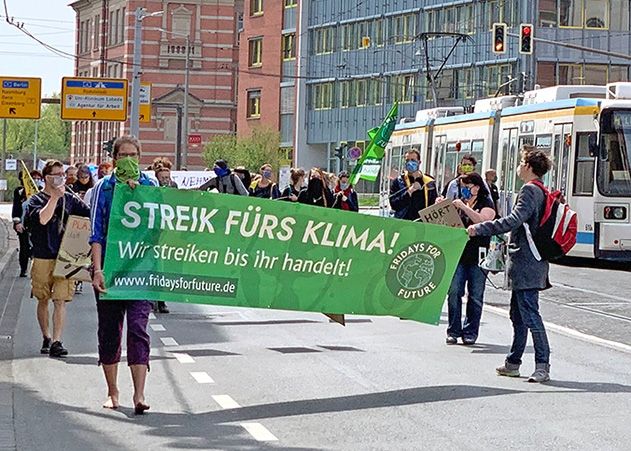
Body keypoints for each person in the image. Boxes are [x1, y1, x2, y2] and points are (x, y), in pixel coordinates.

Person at [468, 145, 553, 383]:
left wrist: (479, 228)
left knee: (530, 315)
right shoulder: (541, 190)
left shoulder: (529, 190)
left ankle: (542, 366)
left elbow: (513, 221)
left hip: (527, 263)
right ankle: (513, 363)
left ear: (527, 166)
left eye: (520, 162)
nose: (517, 166)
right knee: (518, 315)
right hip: (532, 262)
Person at [91, 135, 156, 413]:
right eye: (123, 155)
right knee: (109, 331)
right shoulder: (103, 188)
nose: (128, 159)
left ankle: (139, 394)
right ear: (114, 158)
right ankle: (112, 391)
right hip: (110, 269)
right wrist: (97, 269)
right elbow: (96, 233)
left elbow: (160, 225)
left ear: (139, 157)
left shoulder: (150, 186)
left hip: (140, 270)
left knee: (138, 329)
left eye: (133, 155)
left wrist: (138, 195)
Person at [23, 160, 90, 357]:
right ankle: (47, 336)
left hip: (66, 257)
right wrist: (54, 198)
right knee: (43, 298)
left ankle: (58, 341)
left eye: (63, 173)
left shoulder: (70, 199)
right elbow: (42, 219)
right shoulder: (35, 201)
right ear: (47, 178)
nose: (62, 177)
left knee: (60, 300)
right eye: (56, 174)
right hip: (43, 255)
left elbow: (89, 215)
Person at [446, 172, 496, 345]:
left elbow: (483, 221)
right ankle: (453, 330)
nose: (466, 190)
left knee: (475, 295)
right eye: (463, 187)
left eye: (468, 186)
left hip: (479, 256)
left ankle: (470, 331)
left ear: (477, 186)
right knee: (454, 292)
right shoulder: (459, 203)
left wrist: (465, 208)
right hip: (459, 254)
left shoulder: (486, 203)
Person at [389, 149, 437, 220]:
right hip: (403, 222)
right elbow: (394, 205)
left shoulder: (429, 181)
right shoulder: (398, 181)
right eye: (407, 160)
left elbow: (433, 203)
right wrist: (410, 191)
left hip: (423, 224)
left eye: (413, 160)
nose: (410, 163)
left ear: (419, 162)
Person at [12, 170, 43, 277]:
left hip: (37, 226)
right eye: (34, 178)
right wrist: (17, 222)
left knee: (36, 248)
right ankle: (23, 268)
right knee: (24, 247)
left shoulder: (41, 191)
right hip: (23, 224)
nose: (36, 180)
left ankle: (37, 270)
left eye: (38, 178)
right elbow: (16, 208)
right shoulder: (19, 192)